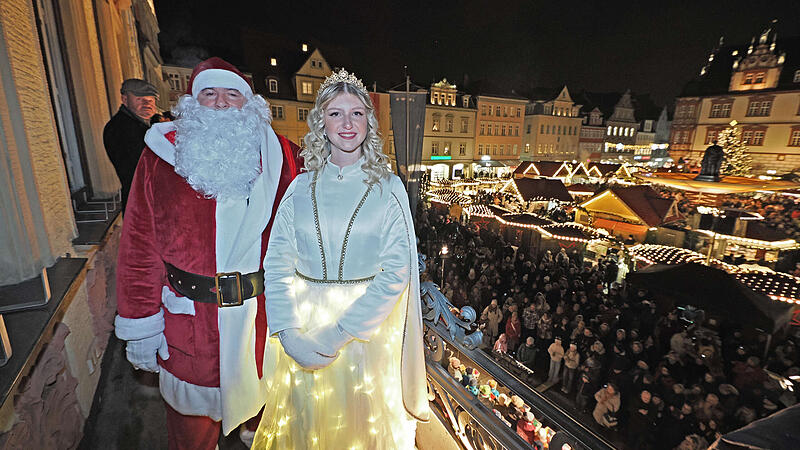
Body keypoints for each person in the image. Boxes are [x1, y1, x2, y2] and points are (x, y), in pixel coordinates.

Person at [114, 57, 301, 450]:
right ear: (192, 104)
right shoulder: (158, 160)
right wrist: (141, 325)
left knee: (267, 432)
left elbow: (321, 204)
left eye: (232, 94)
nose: (219, 103)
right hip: (191, 326)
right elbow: (138, 248)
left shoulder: (281, 156)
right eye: (209, 94)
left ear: (248, 104)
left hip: (259, 322)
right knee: (192, 434)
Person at [253, 69, 429, 449]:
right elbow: (278, 263)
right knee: (308, 429)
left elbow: (397, 273)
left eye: (356, 113)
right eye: (335, 113)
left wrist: (338, 335)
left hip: (364, 340)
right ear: (320, 122)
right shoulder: (299, 188)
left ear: (369, 121)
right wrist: (288, 333)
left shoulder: (388, 187)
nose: (346, 124)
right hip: (304, 333)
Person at [103, 78, 159, 209]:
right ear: (125, 99)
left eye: (150, 100)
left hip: (146, 202)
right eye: (140, 99)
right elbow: (144, 170)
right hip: (143, 205)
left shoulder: (141, 125)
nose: (147, 104)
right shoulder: (121, 128)